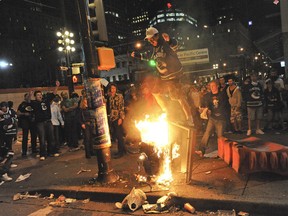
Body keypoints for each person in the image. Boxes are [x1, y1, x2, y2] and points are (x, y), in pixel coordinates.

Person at [131, 26, 194, 126]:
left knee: (178, 97)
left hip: (174, 76)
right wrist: (138, 55)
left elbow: (175, 45)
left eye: (152, 39)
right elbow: (149, 57)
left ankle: (190, 119)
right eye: (149, 40)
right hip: (164, 78)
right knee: (155, 92)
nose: (151, 41)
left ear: (157, 36)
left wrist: (170, 40)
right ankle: (167, 113)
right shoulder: (154, 49)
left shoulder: (165, 44)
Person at [30, 81, 60, 161]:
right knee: (42, 138)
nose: (40, 96)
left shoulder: (46, 101)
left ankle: (52, 151)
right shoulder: (34, 103)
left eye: (40, 94)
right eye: (38, 95)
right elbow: (29, 101)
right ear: (35, 97)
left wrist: (56, 86)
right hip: (40, 123)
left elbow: (53, 94)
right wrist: (30, 94)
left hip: (48, 121)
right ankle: (43, 154)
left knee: (51, 137)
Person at [196, 81, 227, 157]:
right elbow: (208, 105)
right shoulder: (209, 96)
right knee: (207, 133)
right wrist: (205, 109)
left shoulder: (222, 95)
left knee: (220, 136)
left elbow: (224, 106)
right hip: (212, 118)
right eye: (211, 86)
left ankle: (222, 153)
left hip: (220, 118)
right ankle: (201, 150)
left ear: (217, 86)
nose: (212, 88)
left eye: (213, 86)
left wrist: (220, 113)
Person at [107, 83, 126, 159]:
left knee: (119, 135)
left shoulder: (119, 96)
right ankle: (122, 150)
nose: (113, 90)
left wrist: (120, 118)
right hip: (112, 118)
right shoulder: (110, 97)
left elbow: (121, 107)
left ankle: (121, 152)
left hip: (118, 117)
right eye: (112, 88)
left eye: (114, 88)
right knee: (117, 135)